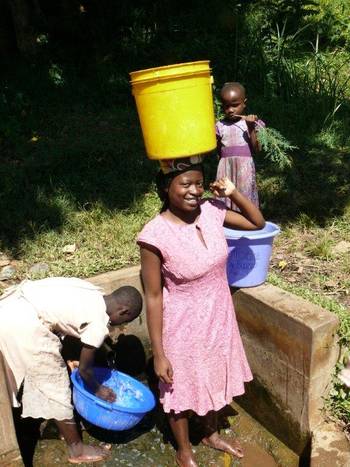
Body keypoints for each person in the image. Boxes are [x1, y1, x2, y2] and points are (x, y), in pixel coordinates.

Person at [137, 157, 265, 467]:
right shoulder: (154, 235)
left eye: (198, 183)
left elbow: (257, 223)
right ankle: (184, 451)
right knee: (178, 387)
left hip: (218, 315)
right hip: (181, 323)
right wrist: (159, 352)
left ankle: (210, 432)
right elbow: (153, 296)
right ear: (167, 188)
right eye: (185, 184)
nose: (194, 190)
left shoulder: (212, 211)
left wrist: (232, 192)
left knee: (216, 373)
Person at [0, 277, 142, 464]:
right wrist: (100, 390)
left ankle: (61, 426)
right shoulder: (99, 323)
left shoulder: (93, 292)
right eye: (123, 322)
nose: (116, 327)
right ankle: (76, 448)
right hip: (23, 325)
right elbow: (85, 372)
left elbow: (64, 319)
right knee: (55, 386)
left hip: (10, 306)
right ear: (123, 311)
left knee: (47, 373)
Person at [216, 82, 265, 212]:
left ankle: (249, 222)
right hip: (225, 168)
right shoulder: (219, 126)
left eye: (235, 105)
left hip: (244, 168)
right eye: (226, 106)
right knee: (225, 195)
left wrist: (251, 128)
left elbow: (257, 149)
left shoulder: (251, 123)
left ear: (244, 102)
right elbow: (218, 150)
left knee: (244, 195)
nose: (230, 110)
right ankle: (228, 223)